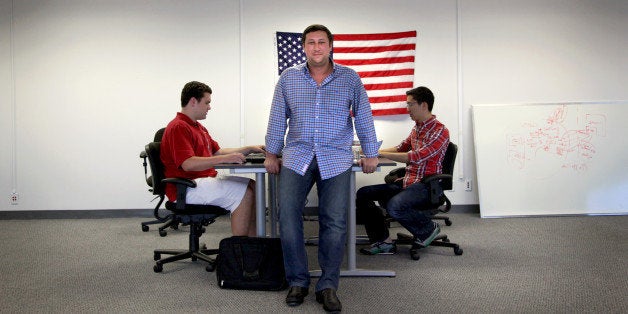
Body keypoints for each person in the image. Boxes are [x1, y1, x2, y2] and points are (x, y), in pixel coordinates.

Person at [264, 24, 379, 313]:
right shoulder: (288, 78)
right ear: (304, 47)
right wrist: (271, 153)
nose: (316, 47)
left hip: (336, 156)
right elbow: (278, 118)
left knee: (335, 221)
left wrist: (370, 152)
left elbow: (363, 116)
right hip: (297, 155)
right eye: (311, 42)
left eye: (321, 42)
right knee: (287, 214)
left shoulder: (349, 78)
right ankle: (298, 281)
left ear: (330, 46)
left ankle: (328, 285)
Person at [160, 81, 264, 237]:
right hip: (186, 188)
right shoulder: (179, 127)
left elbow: (217, 152)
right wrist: (227, 158)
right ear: (193, 101)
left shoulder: (198, 127)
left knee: (253, 185)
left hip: (200, 182)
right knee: (244, 194)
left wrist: (248, 149)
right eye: (207, 102)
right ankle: (239, 252)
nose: (209, 107)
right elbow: (188, 164)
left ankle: (255, 244)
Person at [356, 86, 449, 255]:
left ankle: (427, 228)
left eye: (410, 104)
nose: (407, 109)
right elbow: (400, 148)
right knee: (363, 193)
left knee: (395, 206)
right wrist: (368, 152)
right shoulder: (417, 128)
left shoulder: (440, 131)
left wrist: (378, 154)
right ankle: (383, 241)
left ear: (424, 105)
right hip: (408, 182)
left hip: (426, 186)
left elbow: (416, 157)